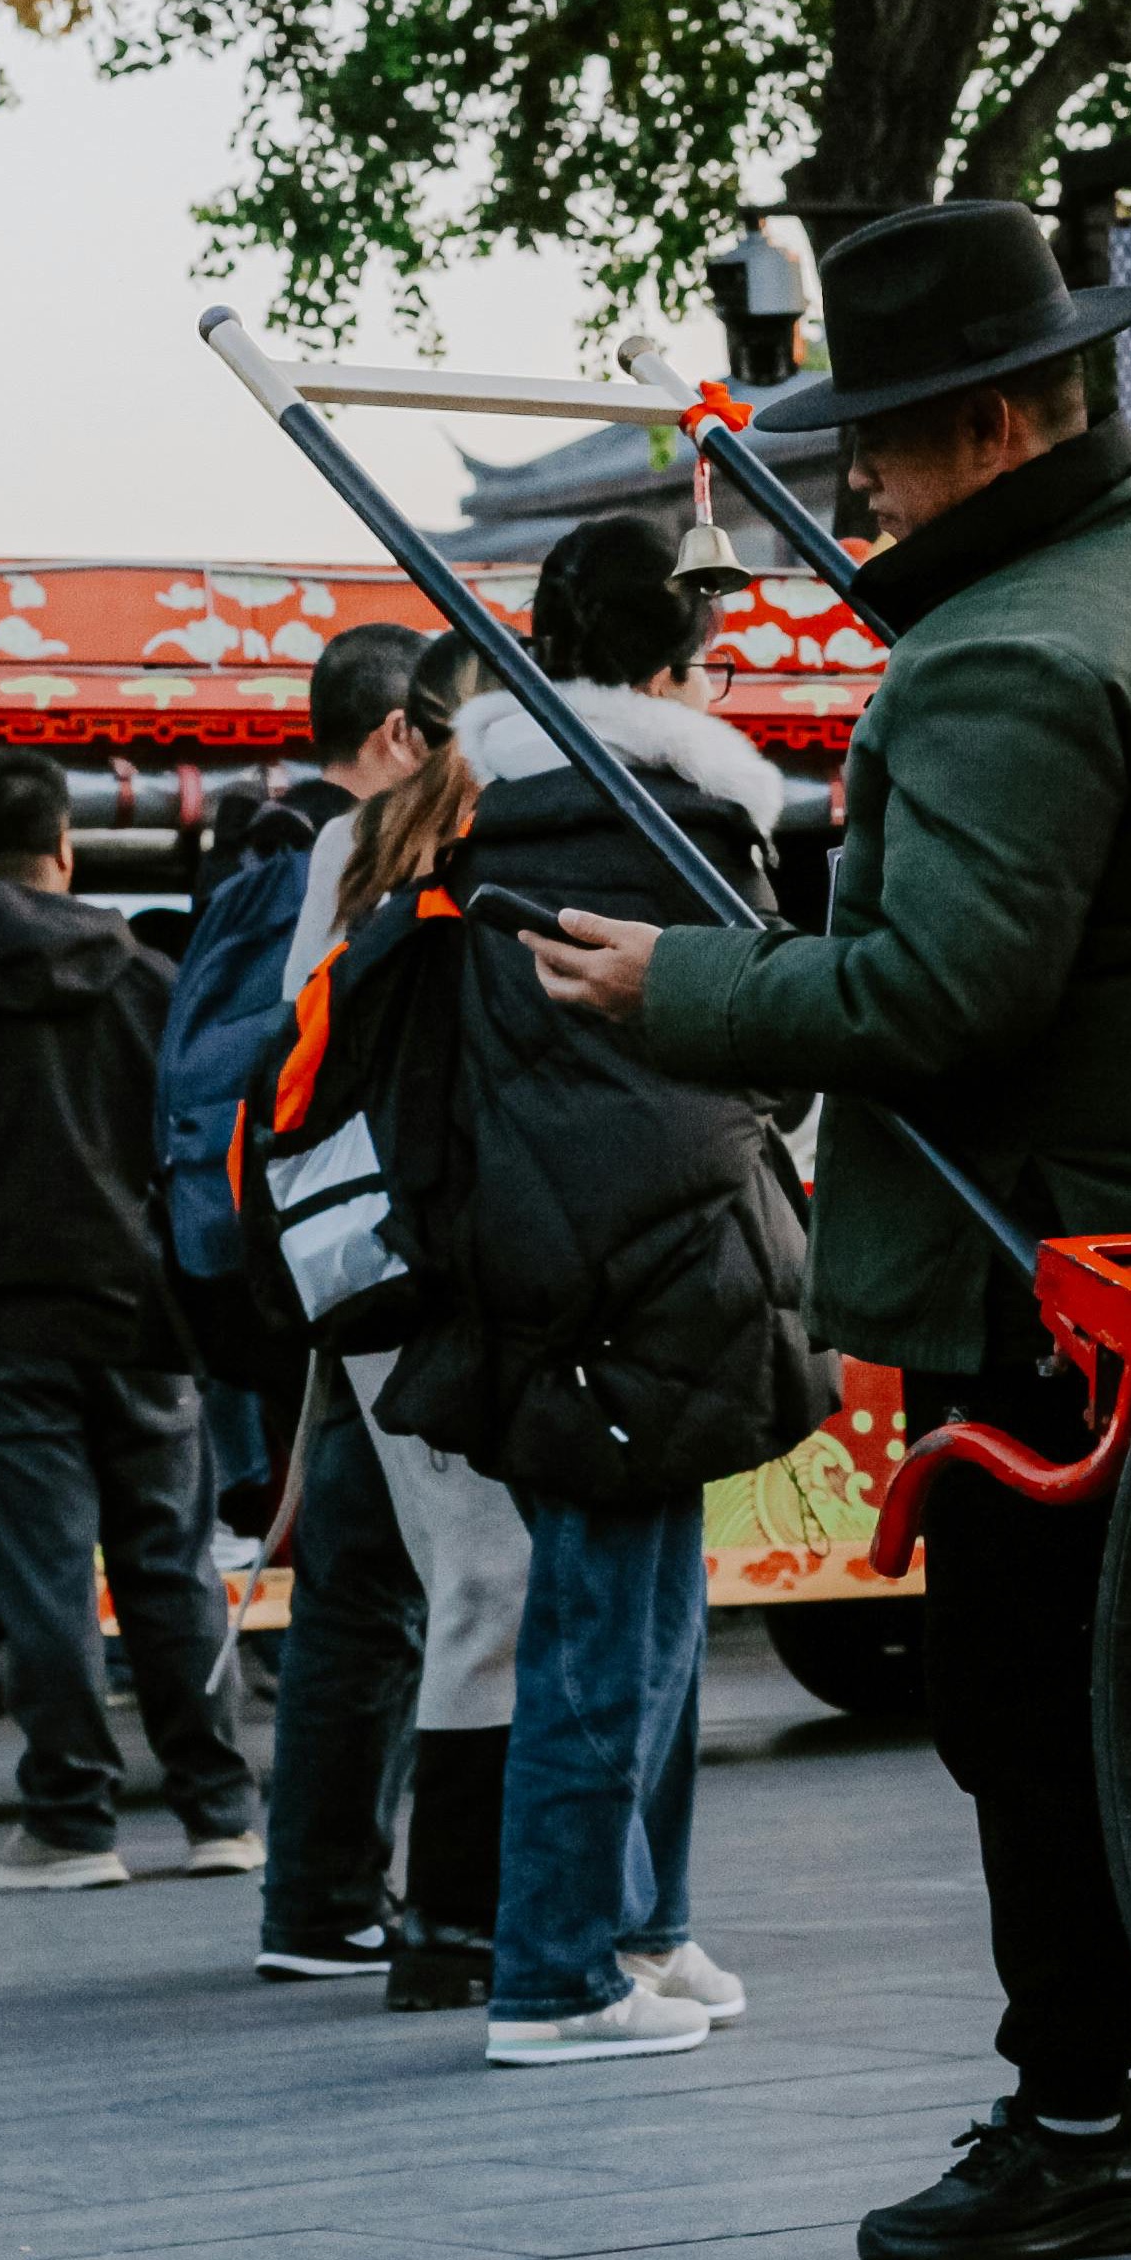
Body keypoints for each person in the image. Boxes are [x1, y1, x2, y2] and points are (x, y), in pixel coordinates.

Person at [527, 201, 1131, 2260]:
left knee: (1026, 1694)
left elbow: (929, 996)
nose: (862, 476)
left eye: (883, 438)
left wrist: (677, 985)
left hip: (1052, 1248)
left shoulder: (1013, 648)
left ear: (988, 424)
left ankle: (1079, 2121)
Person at [370, 515, 823, 2068]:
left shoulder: (481, 816)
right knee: (607, 1620)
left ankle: (644, 1921)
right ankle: (557, 1971)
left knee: (644, 1603)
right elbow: (770, 1034)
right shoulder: (694, 818)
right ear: (672, 659)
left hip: (541, 1250)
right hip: (667, 1249)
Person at [0, 743, 264, 1891]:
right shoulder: (149, 985)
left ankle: (74, 1824)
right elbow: (197, 1159)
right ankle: (220, 1811)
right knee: (170, 1567)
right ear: (65, 849)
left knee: (41, 1577)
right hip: (142, 1324)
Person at [166, 620, 441, 1980]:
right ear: (397, 735)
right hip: (364, 1271)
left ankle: (324, 1894)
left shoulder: (246, 865)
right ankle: (337, 1894)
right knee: (378, 1587)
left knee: (357, 1576)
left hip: (289, 1275)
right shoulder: (340, 868)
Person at [297, 631, 535, 2013]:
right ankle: (451, 1914)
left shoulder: (353, 851)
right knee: (485, 1579)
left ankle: (445, 1907)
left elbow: (295, 1044)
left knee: (467, 1576)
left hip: (375, 1264)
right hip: (450, 1250)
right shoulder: (461, 841)